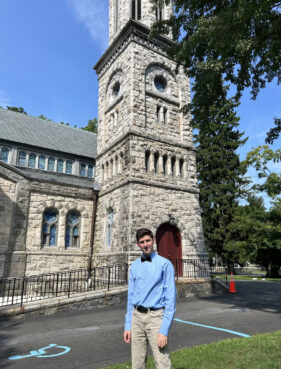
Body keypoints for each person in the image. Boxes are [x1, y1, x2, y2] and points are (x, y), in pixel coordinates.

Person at [124, 228, 176, 369]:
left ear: (153, 241)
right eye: (142, 242)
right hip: (136, 318)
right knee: (137, 364)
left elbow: (171, 301)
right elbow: (131, 297)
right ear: (138, 244)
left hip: (156, 318)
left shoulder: (165, 265)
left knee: (162, 362)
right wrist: (128, 324)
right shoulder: (134, 266)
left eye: (148, 241)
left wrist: (164, 330)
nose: (146, 244)